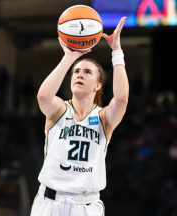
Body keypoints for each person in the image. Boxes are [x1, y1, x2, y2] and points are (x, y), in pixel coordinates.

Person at [31, 17, 129, 216]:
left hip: (85, 205)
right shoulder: (59, 110)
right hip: (49, 202)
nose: (79, 75)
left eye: (87, 72)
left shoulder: (103, 118)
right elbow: (43, 96)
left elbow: (121, 99)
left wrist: (117, 51)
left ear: (98, 85)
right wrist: (69, 57)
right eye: (76, 71)